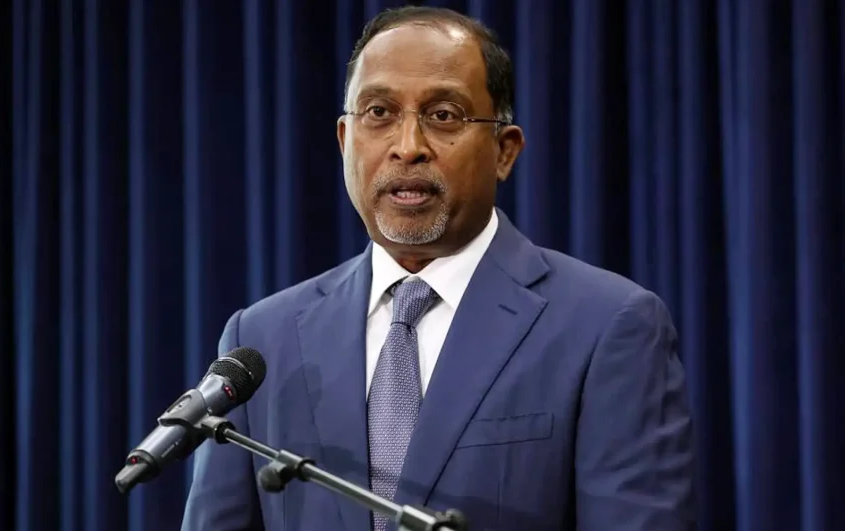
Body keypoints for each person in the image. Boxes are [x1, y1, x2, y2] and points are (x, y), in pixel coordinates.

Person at [181, 6, 696, 531]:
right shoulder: (262, 340)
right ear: (344, 141)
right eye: (378, 112)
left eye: (444, 115)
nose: (408, 148)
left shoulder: (607, 327)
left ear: (504, 151)